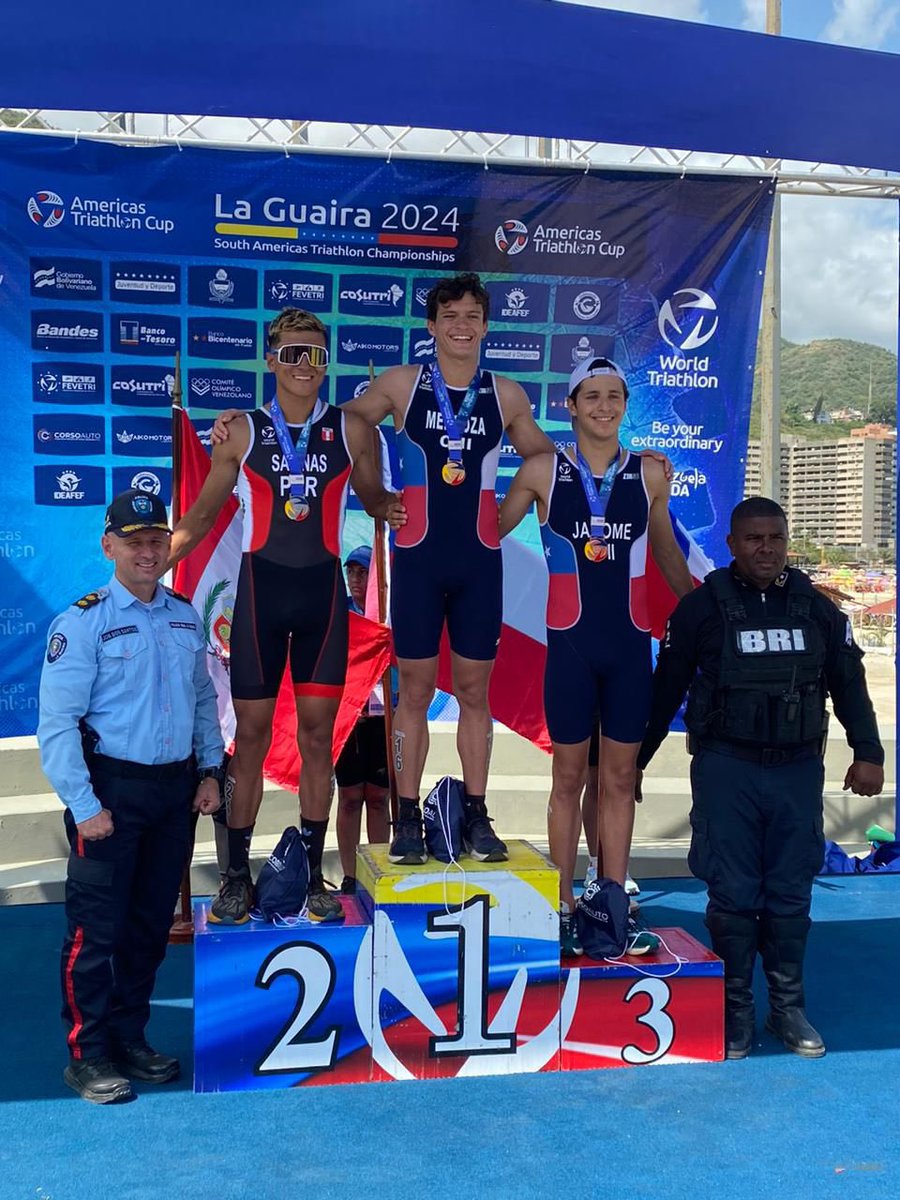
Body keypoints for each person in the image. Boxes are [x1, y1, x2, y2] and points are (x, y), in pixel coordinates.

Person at [214, 275, 556, 865]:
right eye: (450, 315)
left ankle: (476, 813)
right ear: (431, 326)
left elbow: (545, 457)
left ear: (485, 325)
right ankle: (407, 816)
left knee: (476, 694)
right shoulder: (401, 384)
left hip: (479, 563)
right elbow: (319, 425)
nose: (461, 325)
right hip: (418, 563)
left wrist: (529, 498)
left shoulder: (507, 395)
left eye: (473, 315)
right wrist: (236, 425)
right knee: (415, 694)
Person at [168, 308, 404, 926]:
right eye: (294, 353)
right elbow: (198, 518)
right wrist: (151, 563)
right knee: (246, 740)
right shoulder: (241, 431)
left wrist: (393, 506)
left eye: (317, 354)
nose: (307, 365)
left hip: (323, 599)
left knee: (317, 742)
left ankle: (309, 870)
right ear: (270, 359)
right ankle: (237, 876)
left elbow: (375, 497)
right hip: (259, 601)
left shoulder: (353, 429)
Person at [637, 496, 884, 1059]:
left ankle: (788, 1010)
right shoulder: (701, 609)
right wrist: (637, 763)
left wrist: (868, 752)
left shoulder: (818, 610)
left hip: (797, 771)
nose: (765, 548)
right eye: (753, 539)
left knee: (791, 891)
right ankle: (736, 1010)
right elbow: (665, 691)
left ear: (786, 541)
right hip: (727, 770)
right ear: (731, 545)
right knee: (732, 890)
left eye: (775, 538)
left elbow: (849, 685)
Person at [499, 357, 693, 956]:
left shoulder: (651, 474)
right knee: (565, 779)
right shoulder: (541, 470)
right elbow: (487, 532)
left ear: (624, 406)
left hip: (629, 651)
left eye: (614, 397)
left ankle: (610, 900)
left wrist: (714, 612)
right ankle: (559, 906)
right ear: (571, 405)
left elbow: (666, 557)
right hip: (571, 650)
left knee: (619, 779)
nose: (604, 406)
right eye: (592, 396)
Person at [38, 489, 224, 1104]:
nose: (148, 552)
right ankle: (88, 1054)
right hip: (109, 796)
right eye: (134, 541)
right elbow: (58, 724)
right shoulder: (82, 621)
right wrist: (85, 807)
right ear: (108, 546)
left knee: (148, 927)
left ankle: (130, 1036)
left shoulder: (183, 616)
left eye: (156, 540)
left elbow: (202, 700)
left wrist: (209, 771)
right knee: (96, 931)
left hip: (173, 794)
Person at [335, 544, 390, 894]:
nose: (356, 580)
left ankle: (378, 872)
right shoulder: (339, 612)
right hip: (350, 716)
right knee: (351, 796)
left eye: (363, 572)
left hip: (385, 714)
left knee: (379, 797)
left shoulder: (387, 613)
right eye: (351, 572)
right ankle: (351, 876)